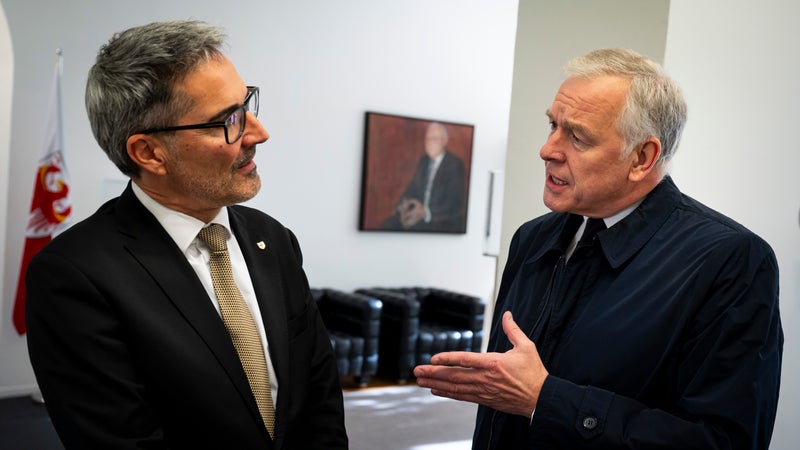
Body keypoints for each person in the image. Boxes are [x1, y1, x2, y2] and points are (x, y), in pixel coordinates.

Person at [414, 48, 783, 449]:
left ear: (642, 158)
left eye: (577, 137)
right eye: (553, 125)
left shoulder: (731, 261)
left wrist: (544, 400)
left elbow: (724, 441)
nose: (548, 150)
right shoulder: (532, 238)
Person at [25, 21, 348, 450]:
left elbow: (319, 396)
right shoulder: (75, 277)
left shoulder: (274, 239)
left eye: (246, 104)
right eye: (228, 120)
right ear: (149, 153)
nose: (258, 133)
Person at [383, 121, 467, 232]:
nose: (430, 143)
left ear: (444, 141)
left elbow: (454, 205)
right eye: (427, 139)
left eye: (434, 139)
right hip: (418, 217)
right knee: (386, 225)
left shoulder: (454, 164)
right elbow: (412, 189)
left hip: (439, 221)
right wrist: (403, 204)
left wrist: (425, 212)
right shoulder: (424, 161)